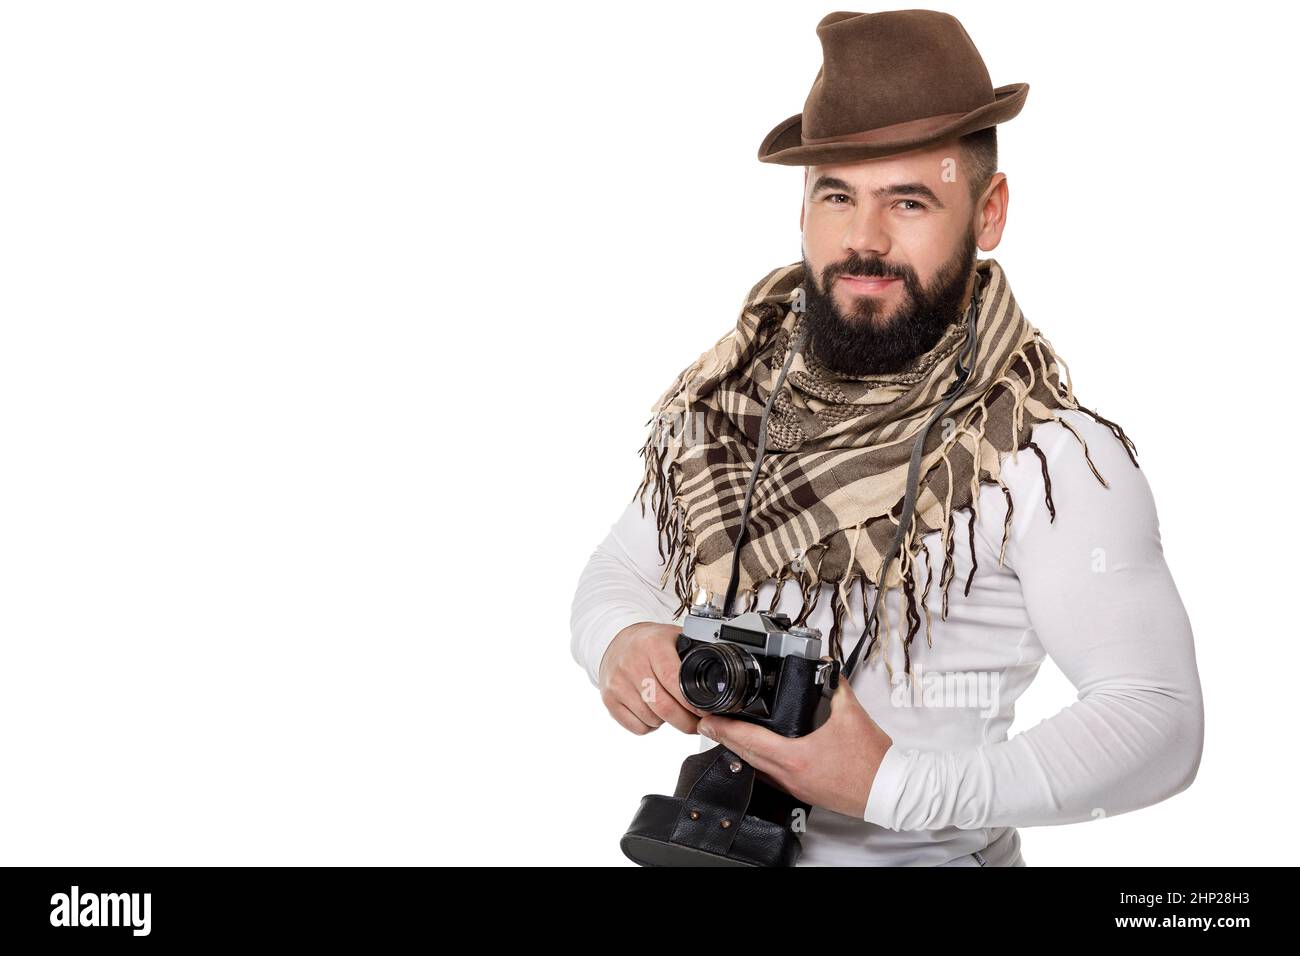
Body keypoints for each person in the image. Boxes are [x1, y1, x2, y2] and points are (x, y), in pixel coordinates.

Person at [569, 9, 1203, 866]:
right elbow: (621, 570)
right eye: (838, 195)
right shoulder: (732, 403)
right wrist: (625, 642)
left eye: (909, 200)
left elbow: (1159, 718)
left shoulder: (1047, 456)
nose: (864, 239)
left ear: (989, 212)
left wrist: (894, 787)